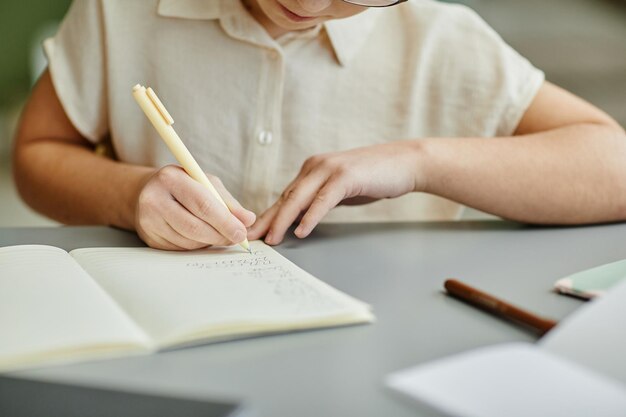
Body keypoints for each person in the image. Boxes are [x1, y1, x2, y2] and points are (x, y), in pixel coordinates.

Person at [13, 0, 626, 250]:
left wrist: (419, 162)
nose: (305, 3)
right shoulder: (121, 11)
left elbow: (614, 166)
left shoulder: (441, 41)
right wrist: (127, 196)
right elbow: (37, 153)